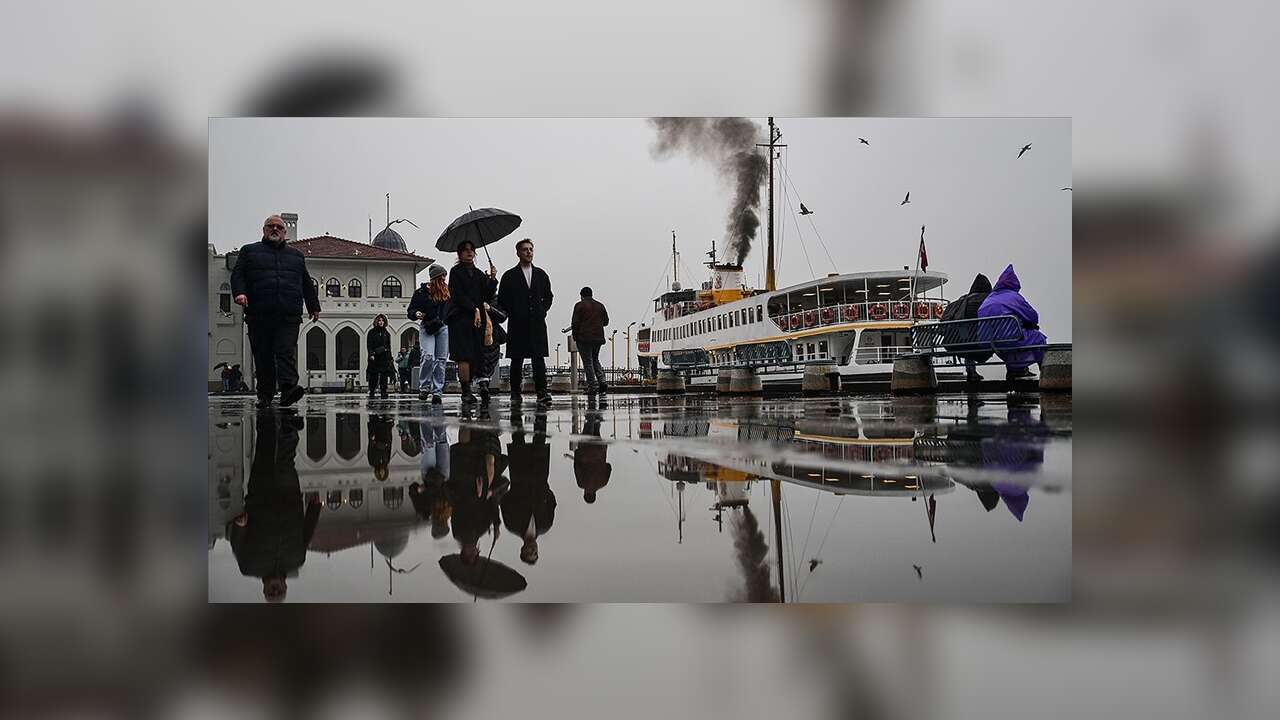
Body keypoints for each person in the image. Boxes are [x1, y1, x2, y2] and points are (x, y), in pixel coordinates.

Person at [227, 412, 321, 603]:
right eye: (280, 593)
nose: (275, 590)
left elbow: (237, 543)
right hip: (289, 496)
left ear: (264, 590)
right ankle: (289, 421)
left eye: (271, 593)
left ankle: (268, 417)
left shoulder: (249, 566)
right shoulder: (297, 560)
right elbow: (307, 533)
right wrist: (314, 507)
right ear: (286, 587)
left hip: (261, 497)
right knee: (286, 459)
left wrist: (240, 526)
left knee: (264, 452)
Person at [229, 214, 321, 408]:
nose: (275, 229)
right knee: (263, 355)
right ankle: (265, 394)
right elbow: (238, 275)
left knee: (285, 351)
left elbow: (305, 282)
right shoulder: (249, 251)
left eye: (279, 227)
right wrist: (240, 293)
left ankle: (289, 389)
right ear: (264, 230)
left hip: (288, 313)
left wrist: (313, 306)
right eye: (270, 226)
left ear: (284, 232)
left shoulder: (296, 256)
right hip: (259, 313)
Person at [497, 238, 554, 408]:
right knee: (517, 358)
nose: (529, 252)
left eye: (531, 249)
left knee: (538, 359)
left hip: (537, 322)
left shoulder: (541, 274)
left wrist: (542, 310)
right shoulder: (509, 276)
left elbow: (549, 296)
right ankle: (515, 392)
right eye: (525, 249)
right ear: (518, 253)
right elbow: (502, 299)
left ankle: (542, 392)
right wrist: (514, 311)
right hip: (517, 322)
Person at [447, 240, 499, 406]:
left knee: (477, 352)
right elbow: (457, 296)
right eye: (466, 250)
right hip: (460, 318)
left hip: (477, 321)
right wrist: (473, 309)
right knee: (464, 356)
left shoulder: (478, 274)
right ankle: (466, 391)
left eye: (472, 250)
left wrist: (492, 278)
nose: (470, 253)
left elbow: (487, 295)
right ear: (460, 254)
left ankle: (481, 385)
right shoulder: (455, 272)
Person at [976, 264, 1048, 381]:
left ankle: (1014, 370)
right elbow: (1033, 316)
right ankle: (1045, 373)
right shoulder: (1014, 297)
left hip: (986, 341)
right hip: (1009, 339)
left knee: (1009, 341)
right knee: (1039, 338)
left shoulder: (988, 299)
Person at [502, 414, 555, 564]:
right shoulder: (545, 525)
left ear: (522, 550)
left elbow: (504, 502)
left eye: (529, 553)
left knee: (518, 436)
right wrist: (544, 488)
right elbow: (551, 502)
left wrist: (515, 491)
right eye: (535, 553)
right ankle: (541, 413)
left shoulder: (512, 525)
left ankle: (516, 409)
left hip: (519, 476)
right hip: (539, 475)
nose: (533, 550)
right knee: (540, 437)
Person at [408, 264, 452, 404]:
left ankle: (437, 391)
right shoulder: (420, 293)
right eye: (442, 276)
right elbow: (411, 310)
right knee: (427, 356)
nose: (444, 279)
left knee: (441, 359)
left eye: (445, 276)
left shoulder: (447, 292)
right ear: (435, 278)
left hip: (443, 327)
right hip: (427, 327)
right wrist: (416, 313)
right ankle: (424, 387)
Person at [940, 273, 994, 382]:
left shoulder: (961, 302)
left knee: (967, 339)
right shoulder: (989, 300)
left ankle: (971, 371)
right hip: (983, 343)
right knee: (1005, 338)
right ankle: (1015, 369)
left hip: (959, 344)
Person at [570, 286, 610, 395]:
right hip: (598, 338)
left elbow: (575, 323)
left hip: (584, 338)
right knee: (595, 359)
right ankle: (602, 381)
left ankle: (592, 386)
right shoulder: (600, 306)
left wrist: (575, 336)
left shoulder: (579, 306)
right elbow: (606, 322)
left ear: (582, 296)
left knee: (588, 362)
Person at [366, 314, 394, 399]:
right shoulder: (371, 332)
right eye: (379, 320)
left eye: (382, 321)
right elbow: (369, 345)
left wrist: (390, 358)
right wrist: (371, 354)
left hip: (384, 357)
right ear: (376, 321)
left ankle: (383, 391)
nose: (381, 322)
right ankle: (372, 390)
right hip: (374, 357)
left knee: (384, 376)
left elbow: (388, 346)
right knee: (373, 376)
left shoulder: (386, 333)